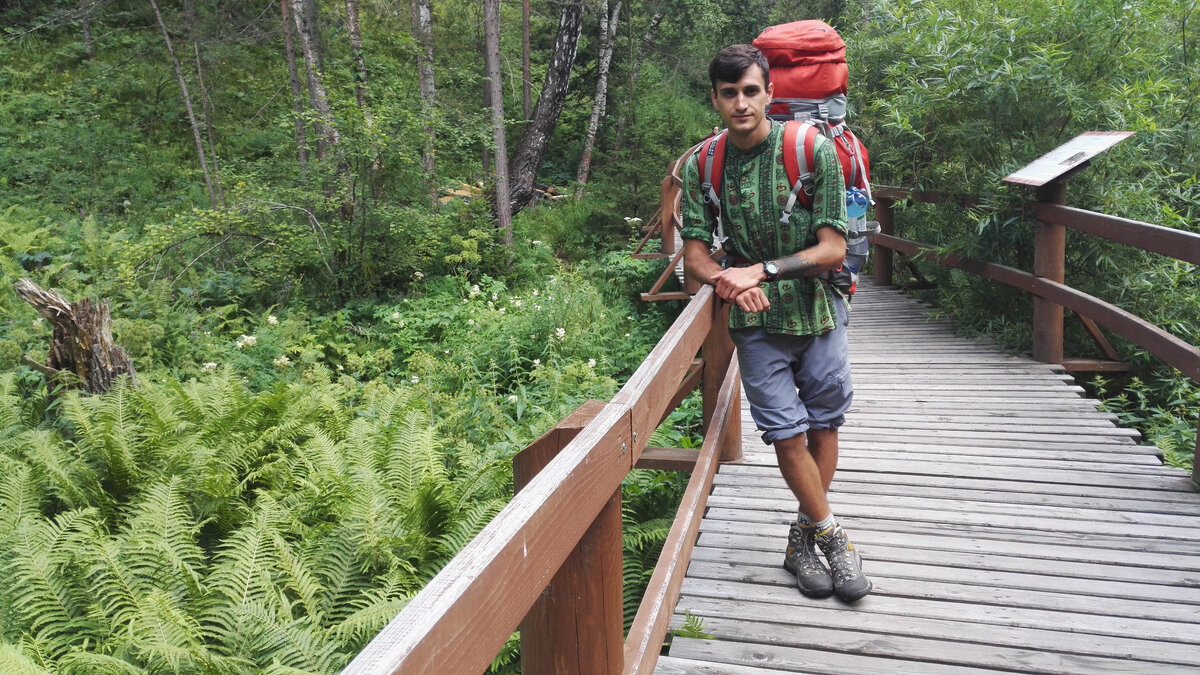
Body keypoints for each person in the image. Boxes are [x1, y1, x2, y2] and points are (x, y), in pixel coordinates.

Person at [680, 44, 871, 602]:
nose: (741, 103)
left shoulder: (812, 150)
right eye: (729, 93)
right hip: (756, 325)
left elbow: (834, 247)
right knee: (786, 433)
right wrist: (725, 281)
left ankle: (802, 536)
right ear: (715, 98)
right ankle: (833, 536)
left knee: (824, 424)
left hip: (818, 310)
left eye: (751, 91)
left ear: (769, 93)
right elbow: (694, 255)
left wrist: (758, 271)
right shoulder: (702, 164)